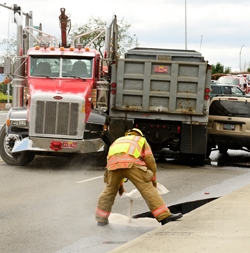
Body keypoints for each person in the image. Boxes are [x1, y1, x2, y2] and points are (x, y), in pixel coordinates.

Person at [95, 128, 183, 226]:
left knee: (108, 192)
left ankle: (101, 219)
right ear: (140, 135)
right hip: (133, 166)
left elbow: (115, 162)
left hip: (113, 167)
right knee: (148, 190)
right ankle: (164, 216)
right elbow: (150, 160)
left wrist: (120, 187)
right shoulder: (141, 140)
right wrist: (153, 180)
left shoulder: (117, 141)